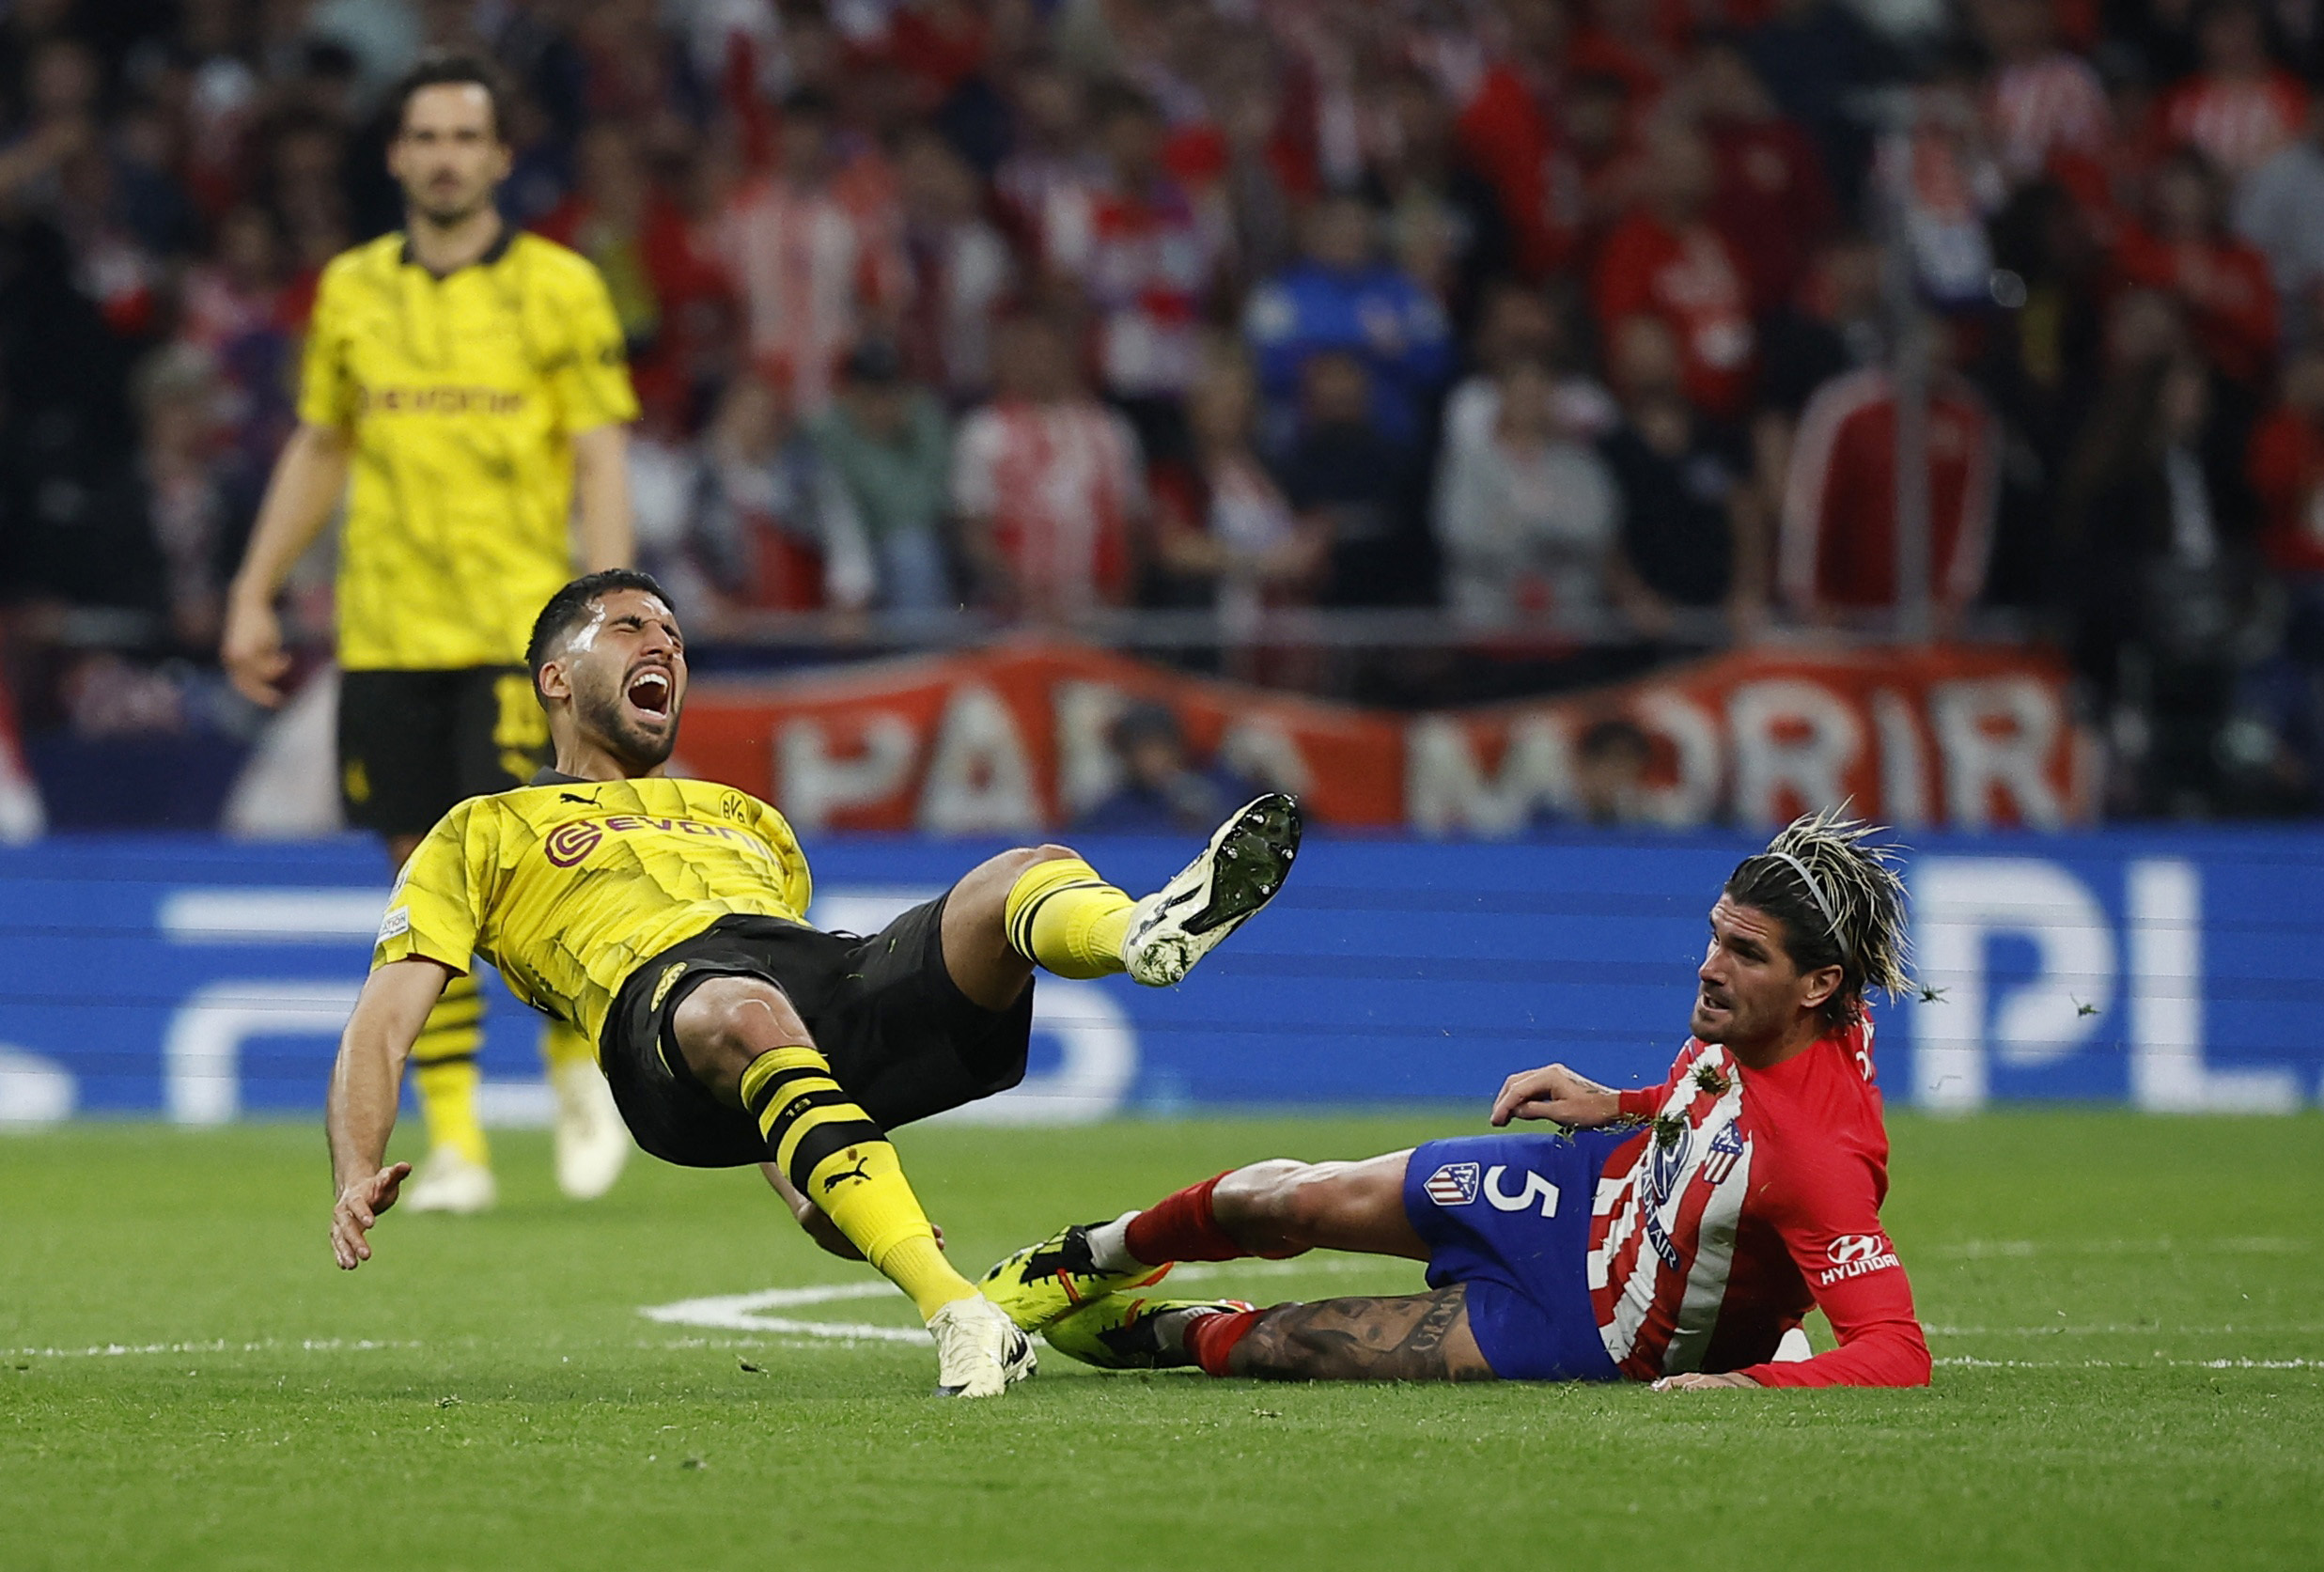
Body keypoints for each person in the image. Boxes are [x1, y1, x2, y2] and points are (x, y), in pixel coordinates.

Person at [325, 570, 1306, 1401]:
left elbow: (786, 1024)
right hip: (651, 1023)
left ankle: (1142, 935)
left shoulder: (745, 816)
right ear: (553, 676)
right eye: (629, 626)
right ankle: (953, 1306)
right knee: (739, 1005)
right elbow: (383, 1023)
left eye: (673, 633)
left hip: (801, 980)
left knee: (1018, 870)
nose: (662, 641)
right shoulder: (481, 828)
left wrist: (806, 1189)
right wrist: (355, 1168)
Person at [979, 811, 1931, 1392]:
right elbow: (1708, 1100)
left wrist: (1748, 1379)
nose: (1708, 966)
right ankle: (1090, 1254)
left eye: (1744, 952)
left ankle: (1166, 1332)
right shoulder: (1756, 1023)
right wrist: (1618, 1101)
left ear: (1818, 985)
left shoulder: (1818, 1152)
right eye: (1716, 935)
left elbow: (1893, 1349)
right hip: (1578, 1194)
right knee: (1292, 1197)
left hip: (1587, 1331)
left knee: (1294, 1344)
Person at [220, 55, 639, 1215]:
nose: (447, 154)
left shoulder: (560, 286)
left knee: (528, 878)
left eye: (468, 135)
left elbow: (600, 451)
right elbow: (318, 446)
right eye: (427, 136)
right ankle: (455, 1139)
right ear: (399, 156)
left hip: (515, 632)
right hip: (386, 630)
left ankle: (574, 1075)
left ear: (500, 157)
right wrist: (255, 589)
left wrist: (612, 611)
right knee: (420, 886)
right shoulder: (351, 289)